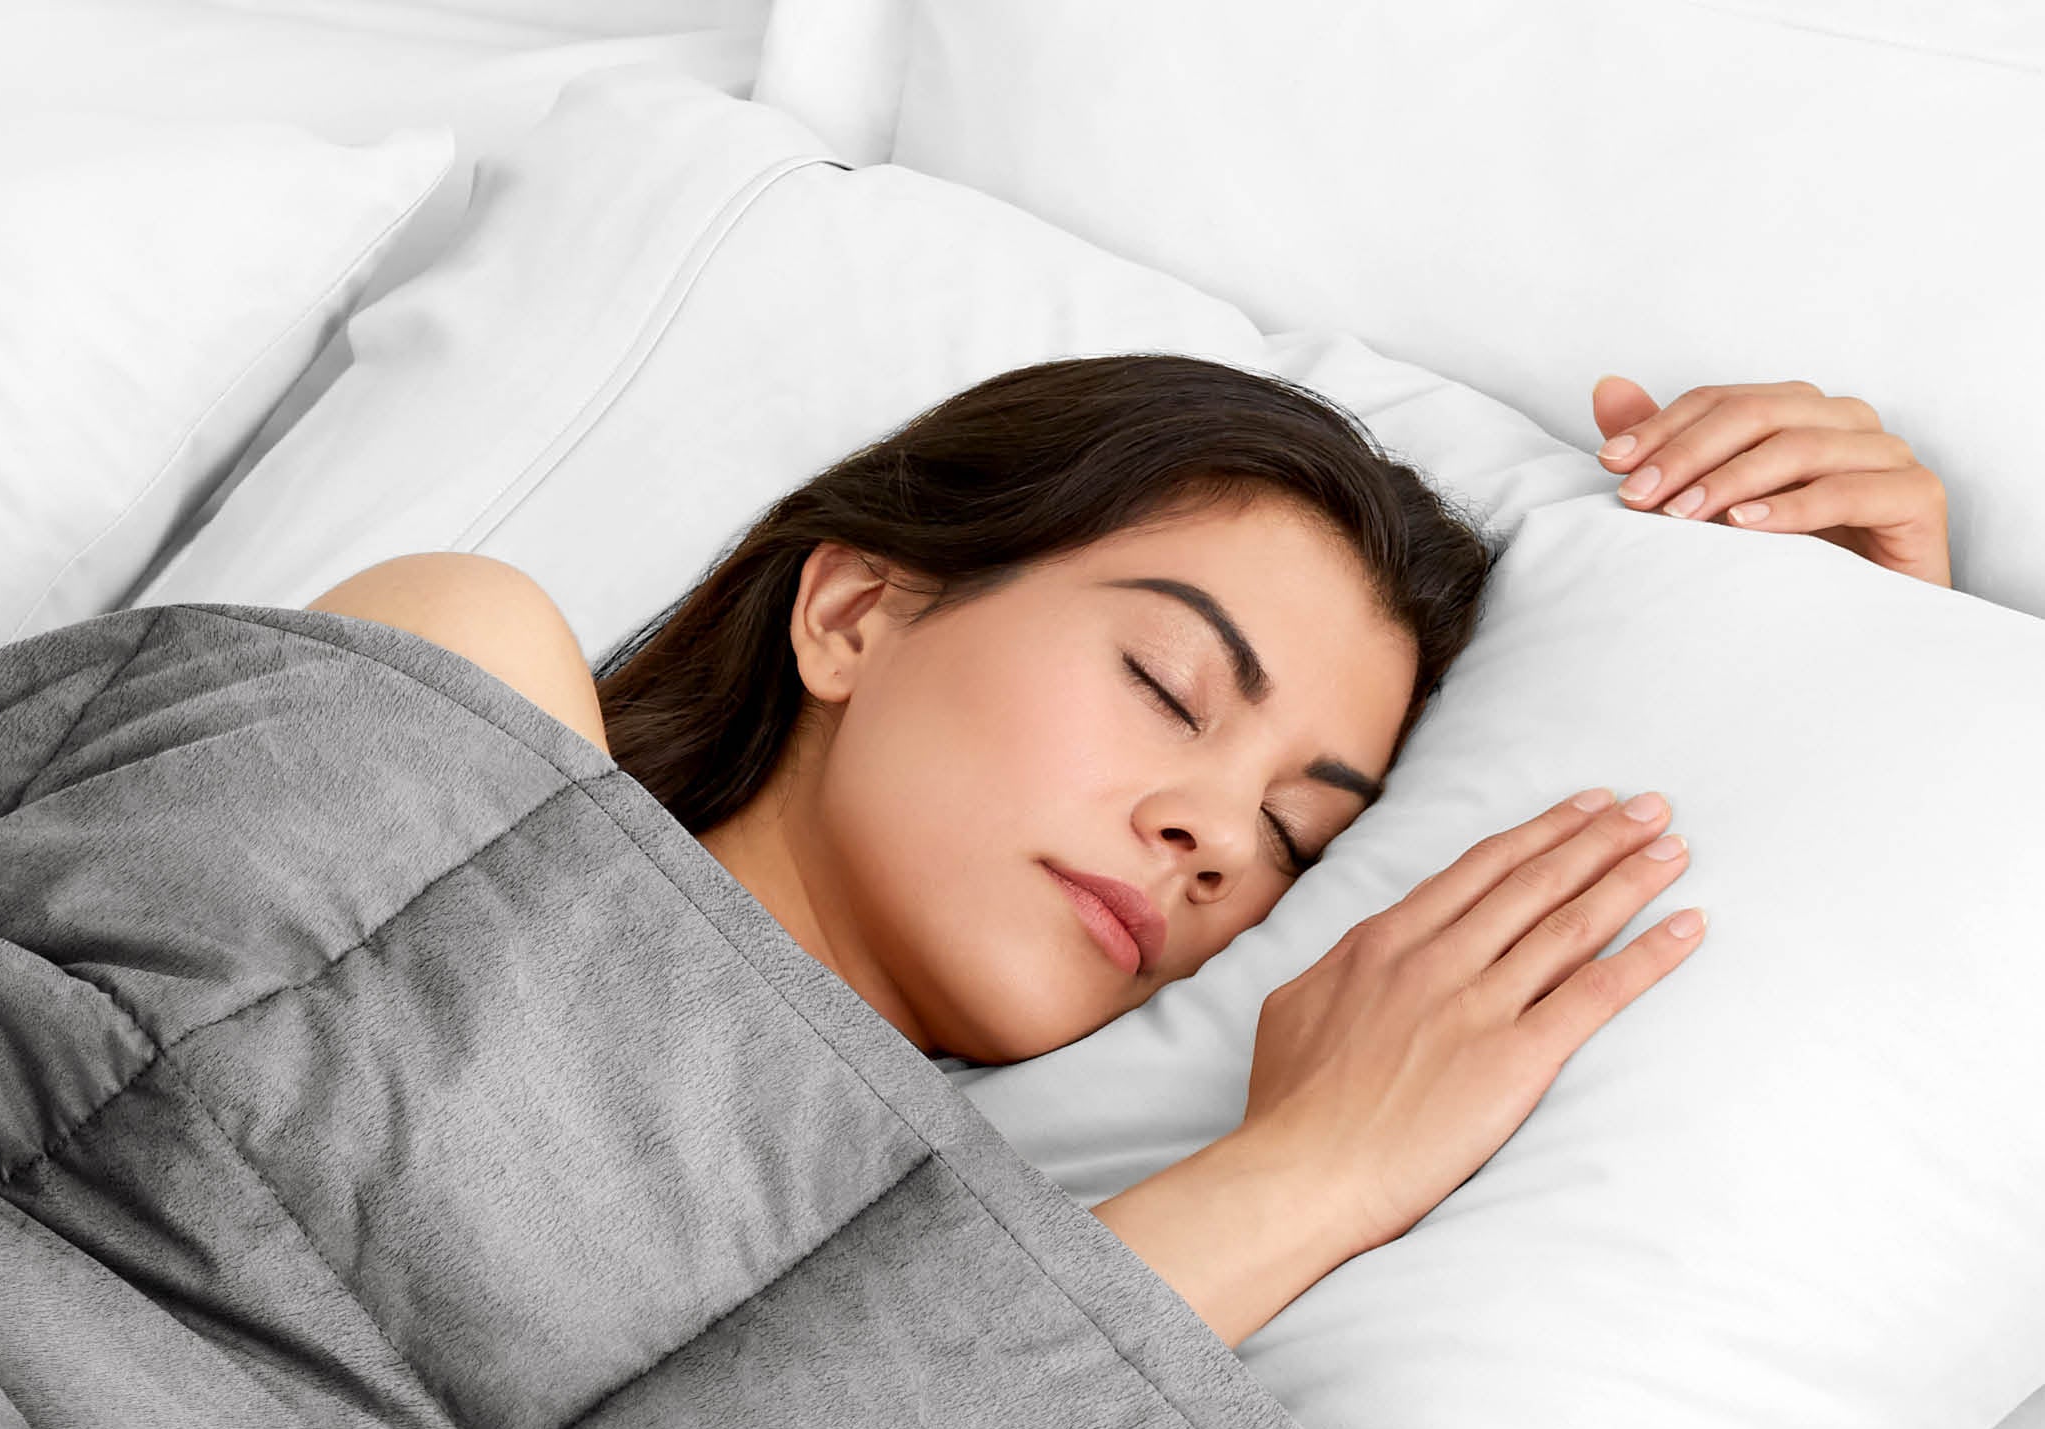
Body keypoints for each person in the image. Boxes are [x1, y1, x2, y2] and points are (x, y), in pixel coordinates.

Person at [310, 356, 1950, 1347]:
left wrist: (1871, 667)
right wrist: (1296, 1180)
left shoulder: (984, 1250)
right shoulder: (467, 667)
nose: (1217, 839)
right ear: (859, 611)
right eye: (1168, 689)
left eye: (1299, 836)